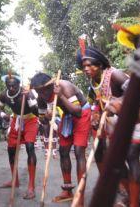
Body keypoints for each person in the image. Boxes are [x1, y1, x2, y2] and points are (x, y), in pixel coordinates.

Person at [31, 72, 90, 205]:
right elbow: (43, 121)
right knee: (63, 151)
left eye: (43, 91)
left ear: (50, 86)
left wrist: (61, 96)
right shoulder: (41, 98)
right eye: (38, 92)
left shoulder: (64, 86)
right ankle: (67, 189)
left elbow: (78, 111)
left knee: (79, 150)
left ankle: (80, 195)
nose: (41, 95)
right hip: (68, 117)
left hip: (82, 114)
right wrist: (46, 117)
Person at [76, 40, 129, 173]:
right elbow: (96, 102)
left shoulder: (115, 75)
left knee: (120, 155)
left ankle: (125, 185)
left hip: (130, 116)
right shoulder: (93, 82)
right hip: (109, 119)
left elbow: (136, 93)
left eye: (89, 65)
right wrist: (95, 115)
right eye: (84, 67)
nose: (86, 69)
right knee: (99, 148)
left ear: (99, 64)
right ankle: (106, 179)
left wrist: (118, 103)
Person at [0, 72, 39, 200]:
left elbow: (37, 112)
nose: (11, 88)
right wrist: (3, 114)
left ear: (19, 84)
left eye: (14, 86)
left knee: (30, 147)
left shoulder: (27, 93)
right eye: (8, 86)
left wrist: (29, 98)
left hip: (31, 120)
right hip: (16, 120)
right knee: (11, 150)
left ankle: (31, 187)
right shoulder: (4, 94)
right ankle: (14, 180)